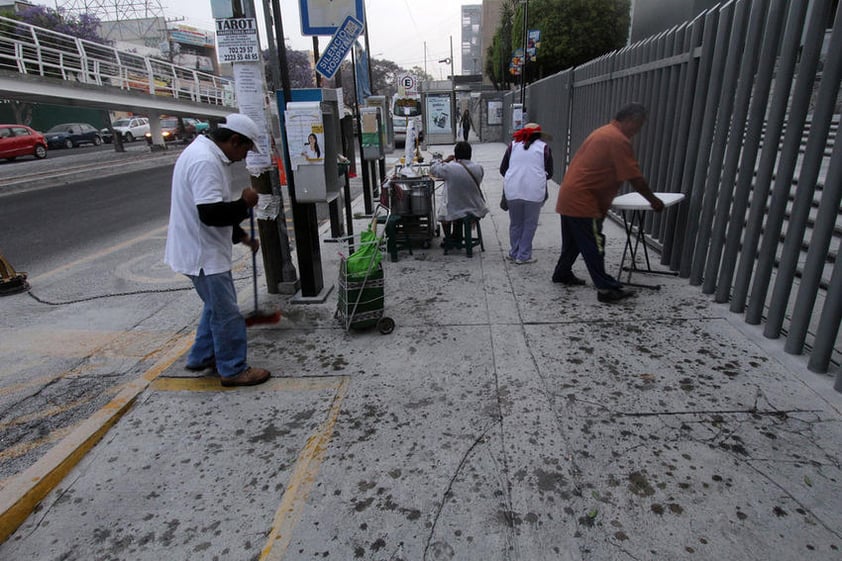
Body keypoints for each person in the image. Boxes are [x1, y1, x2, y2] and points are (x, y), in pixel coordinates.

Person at [164, 113, 271, 387]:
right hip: (203, 256)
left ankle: (202, 355)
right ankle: (233, 369)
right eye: (246, 148)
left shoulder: (208, 154)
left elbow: (214, 205)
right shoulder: (205, 161)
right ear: (234, 140)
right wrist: (244, 204)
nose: (246, 155)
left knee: (215, 307)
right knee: (227, 314)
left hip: (202, 250)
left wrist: (242, 237)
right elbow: (211, 213)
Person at [552, 103, 665, 303]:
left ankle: (562, 273)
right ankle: (605, 289)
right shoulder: (617, 139)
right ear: (631, 120)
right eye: (638, 127)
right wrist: (654, 201)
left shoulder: (603, 132)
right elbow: (635, 178)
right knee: (594, 244)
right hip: (584, 202)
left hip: (570, 197)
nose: (636, 132)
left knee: (573, 242)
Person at [499, 122, 553, 264]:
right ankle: (523, 255)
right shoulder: (544, 148)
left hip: (512, 190)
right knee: (529, 224)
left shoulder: (513, 146)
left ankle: (514, 252)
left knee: (515, 224)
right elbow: (550, 173)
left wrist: (515, 176)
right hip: (534, 192)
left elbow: (502, 169)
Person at [430, 141, 488, 248]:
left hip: (456, 209)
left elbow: (433, 169)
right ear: (470, 154)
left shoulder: (450, 168)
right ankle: (456, 236)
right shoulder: (479, 168)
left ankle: (449, 240)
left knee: (443, 212)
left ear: (456, 154)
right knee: (456, 202)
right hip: (475, 207)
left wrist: (446, 160)